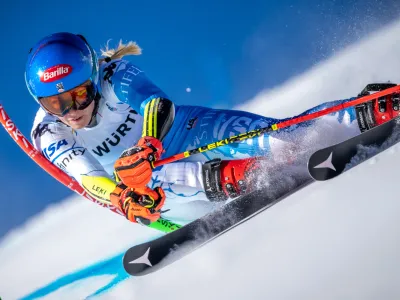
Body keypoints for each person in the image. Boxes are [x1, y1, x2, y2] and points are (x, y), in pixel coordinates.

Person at [25, 32, 398, 226]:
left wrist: (150, 142)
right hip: (151, 183)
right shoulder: (48, 133)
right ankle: (248, 177)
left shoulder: (113, 75)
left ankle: (373, 109)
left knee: (282, 138)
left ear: (93, 76)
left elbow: (156, 104)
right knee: (137, 179)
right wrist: (120, 199)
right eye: (55, 104)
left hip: (187, 130)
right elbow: (86, 175)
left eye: (79, 94)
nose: (71, 111)